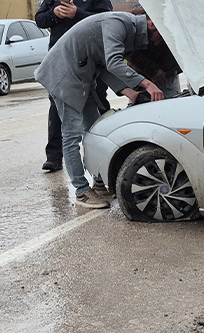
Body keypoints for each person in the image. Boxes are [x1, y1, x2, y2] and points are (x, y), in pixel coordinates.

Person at [35, 12, 166, 208]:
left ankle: (98, 182)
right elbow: (113, 62)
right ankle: (81, 191)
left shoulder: (129, 32)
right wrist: (147, 84)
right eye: (162, 38)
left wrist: (130, 92)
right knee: (71, 135)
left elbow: (104, 64)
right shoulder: (119, 24)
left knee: (95, 129)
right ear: (153, 24)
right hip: (63, 74)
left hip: (83, 75)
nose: (159, 44)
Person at [35, 0, 113, 173]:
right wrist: (55, 14)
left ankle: (105, 153)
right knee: (57, 107)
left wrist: (77, 13)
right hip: (60, 59)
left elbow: (107, 19)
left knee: (97, 104)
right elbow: (40, 20)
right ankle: (54, 157)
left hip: (90, 58)